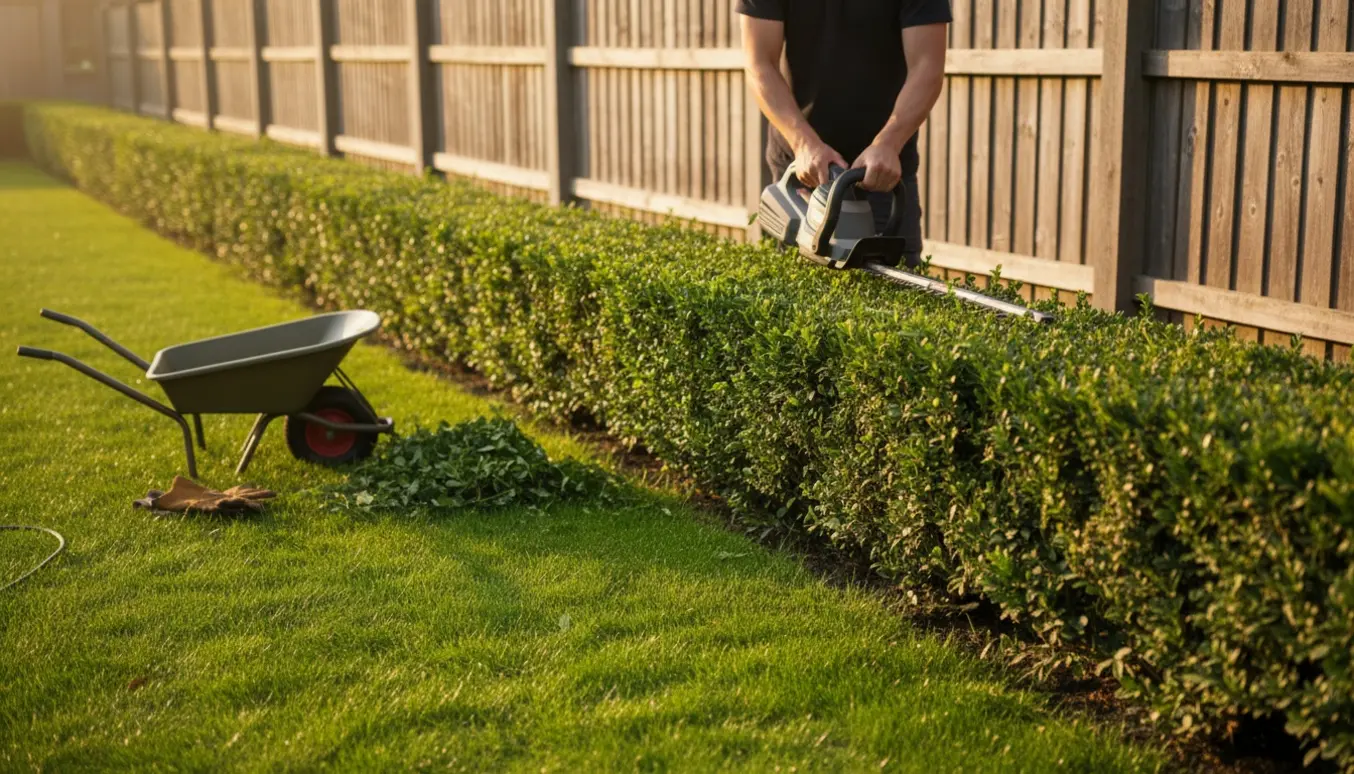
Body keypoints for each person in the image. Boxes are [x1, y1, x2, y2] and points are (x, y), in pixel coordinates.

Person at [738, 0, 951, 265]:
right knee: (796, 285)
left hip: (882, 174)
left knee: (894, 288)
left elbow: (927, 67)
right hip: (803, 172)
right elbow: (759, 64)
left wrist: (888, 143)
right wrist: (804, 143)